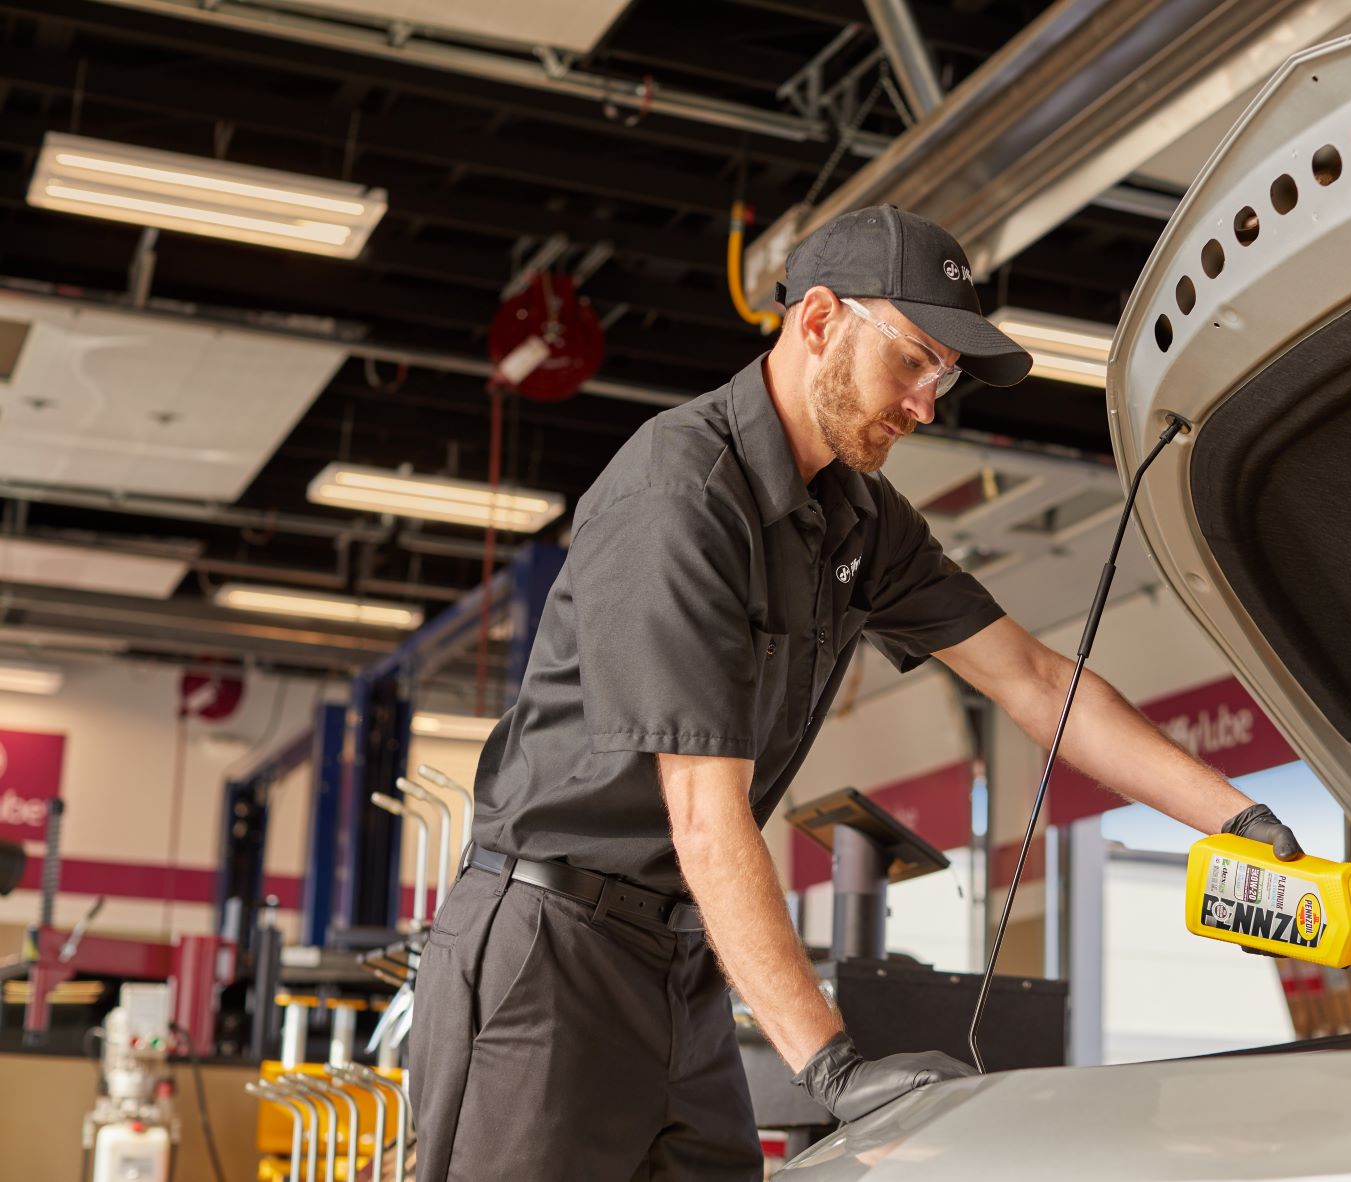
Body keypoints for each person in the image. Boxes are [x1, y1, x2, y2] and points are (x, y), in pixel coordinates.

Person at [408, 204, 1301, 1181]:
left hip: (680, 960)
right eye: (914, 360)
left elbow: (1035, 681)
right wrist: (829, 1065)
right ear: (821, 320)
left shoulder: (860, 521)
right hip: (549, 956)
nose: (926, 405)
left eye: (944, 378)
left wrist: (1241, 820)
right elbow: (705, 813)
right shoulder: (680, 494)